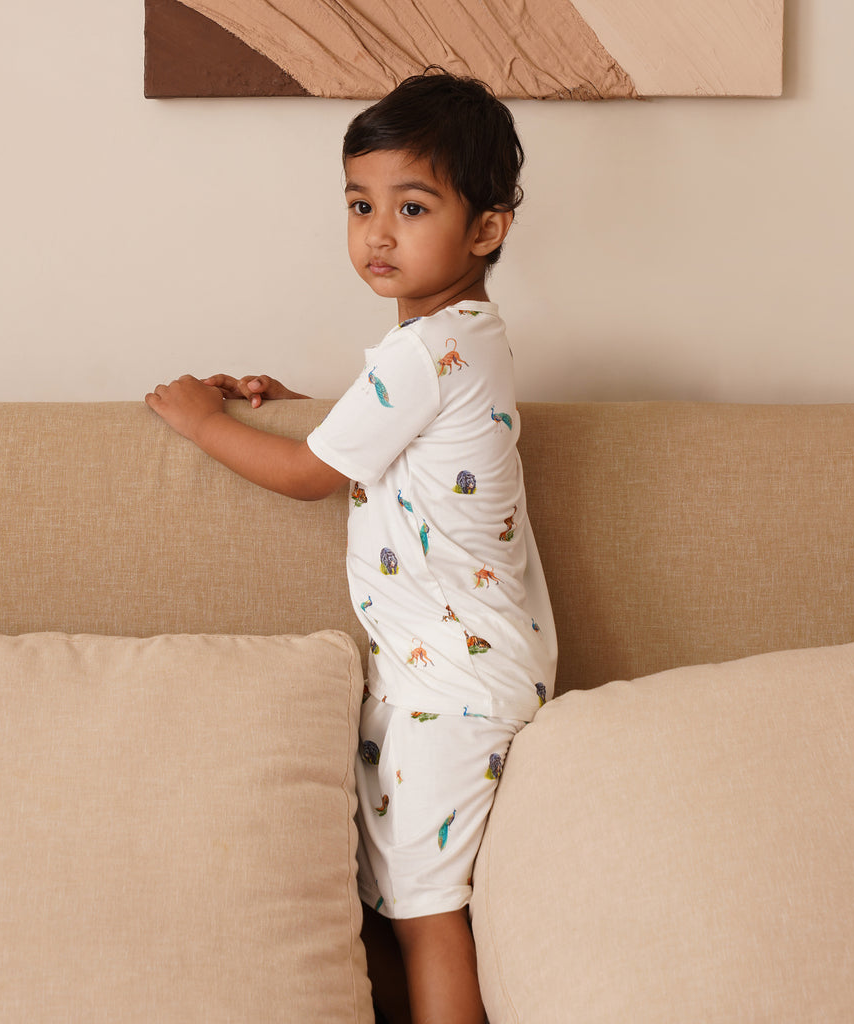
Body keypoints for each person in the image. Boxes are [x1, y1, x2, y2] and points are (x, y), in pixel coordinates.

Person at [146, 67, 557, 1024]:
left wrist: (203, 420)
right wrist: (304, 406)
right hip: (460, 665)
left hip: (452, 679)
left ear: (485, 228)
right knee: (395, 891)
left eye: (412, 206)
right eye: (360, 203)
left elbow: (307, 477)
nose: (377, 232)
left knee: (426, 910)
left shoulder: (421, 353)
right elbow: (395, 439)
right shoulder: (466, 337)